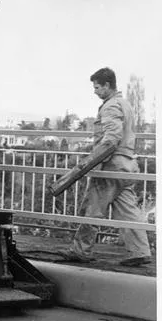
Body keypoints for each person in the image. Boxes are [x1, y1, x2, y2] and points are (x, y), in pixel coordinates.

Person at [62, 67, 152, 266]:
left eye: (97, 87)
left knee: (93, 208)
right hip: (127, 166)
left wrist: (90, 162)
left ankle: (81, 250)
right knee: (128, 210)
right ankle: (140, 250)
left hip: (111, 166)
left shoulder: (110, 106)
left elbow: (111, 139)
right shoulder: (125, 104)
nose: (95, 91)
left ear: (107, 85)